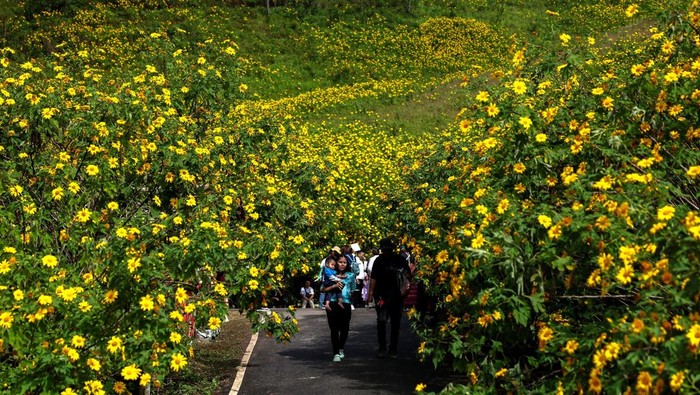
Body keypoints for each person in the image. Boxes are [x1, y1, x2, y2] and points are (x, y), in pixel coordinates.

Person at [368, 237, 410, 359]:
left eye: (388, 249)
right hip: (382, 295)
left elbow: (408, 275)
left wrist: (404, 282)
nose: (386, 252)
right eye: (384, 249)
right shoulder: (379, 261)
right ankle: (383, 347)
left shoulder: (399, 259)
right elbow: (374, 277)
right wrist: (370, 294)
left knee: (395, 323)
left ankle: (393, 349)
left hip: (396, 295)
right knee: (381, 321)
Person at [322, 255, 355, 362]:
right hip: (332, 303)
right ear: (336, 263)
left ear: (347, 264)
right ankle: (336, 353)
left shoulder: (350, 275)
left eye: (344, 262)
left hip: (345, 304)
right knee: (334, 329)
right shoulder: (330, 273)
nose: (342, 264)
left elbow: (353, 289)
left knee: (345, 329)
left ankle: (341, 348)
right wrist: (333, 287)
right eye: (340, 262)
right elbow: (322, 289)